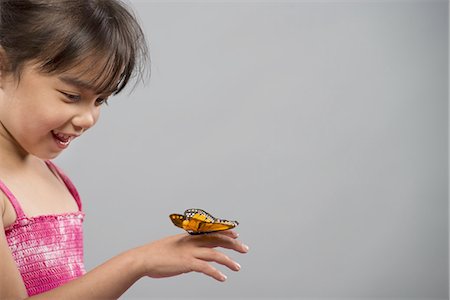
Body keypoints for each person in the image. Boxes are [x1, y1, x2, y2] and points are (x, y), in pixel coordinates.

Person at [0, 0, 249, 298]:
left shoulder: (51, 176)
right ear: (2, 68)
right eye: (71, 95)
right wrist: (137, 262)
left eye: (100, 100)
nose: (87, 118)